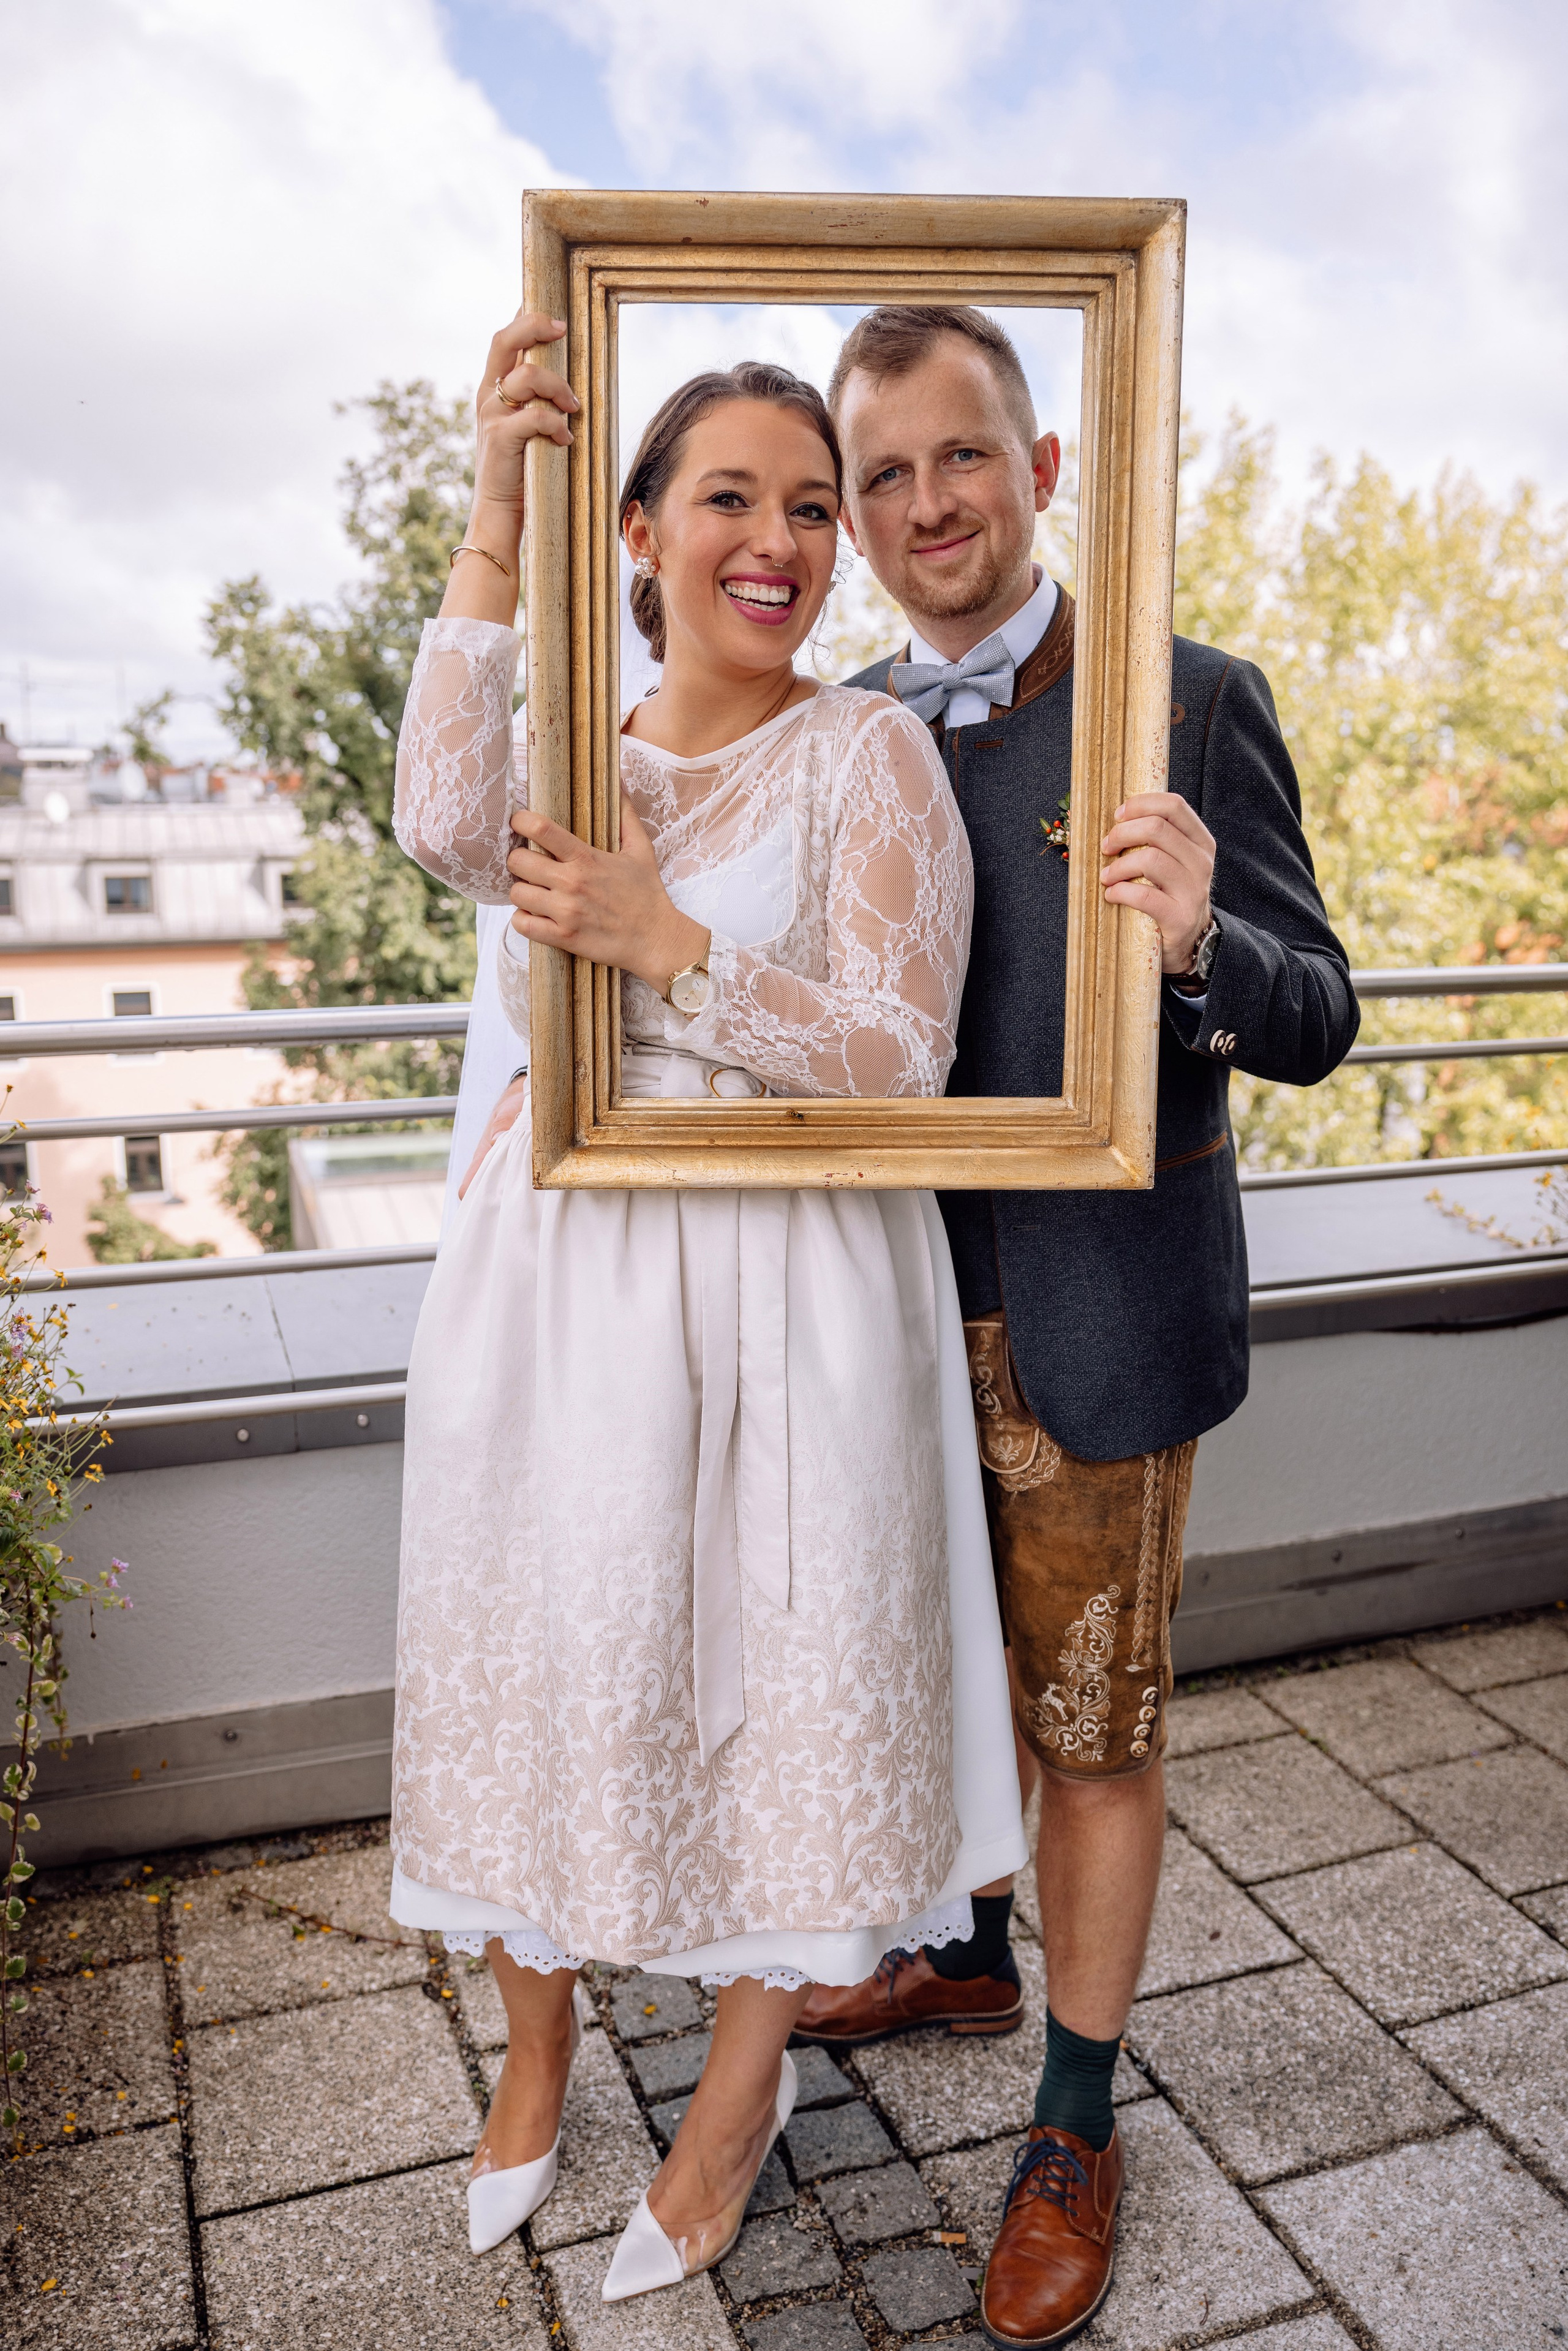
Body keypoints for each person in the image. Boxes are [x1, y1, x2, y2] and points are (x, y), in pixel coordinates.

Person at [386, 311, 1026, 2301]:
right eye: (731, 499)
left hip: (792, 1286)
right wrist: (499, 508)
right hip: (557, 1278)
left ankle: (741, 2092)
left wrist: (665, 946)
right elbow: (430, 822)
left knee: (775, 1679)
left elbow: (899, 1058)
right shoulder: (565, 746)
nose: (786, 540)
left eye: (813, 507)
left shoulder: (872, 751)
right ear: (643, 529)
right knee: (552, 1660)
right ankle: (536, 2056)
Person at [780, 305, 1359, 2347]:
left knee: (1092, 1732)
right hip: (875, 1318)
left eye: (966, 458)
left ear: (1043, 469)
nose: (929, 504)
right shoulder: (831, 726)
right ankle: (957, 1950)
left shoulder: (1184, 702)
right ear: (850, 515)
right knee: (931, 1684)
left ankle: (1077, 2119)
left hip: (1101, 1321)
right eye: (886, 477)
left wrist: (1207, 929)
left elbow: (1318, 1012)